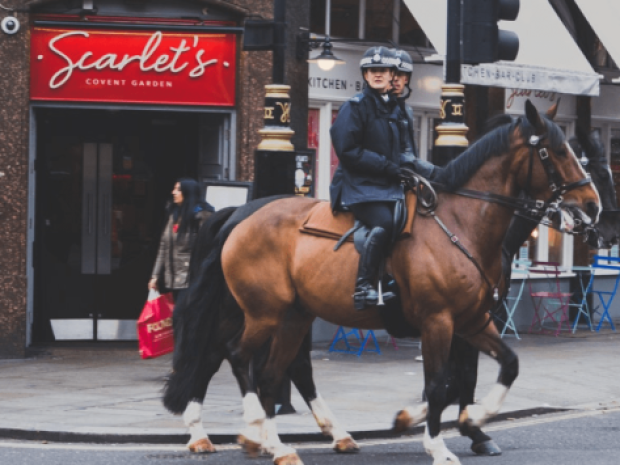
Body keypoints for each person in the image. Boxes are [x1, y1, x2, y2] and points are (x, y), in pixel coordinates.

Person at [329, 46, 413, 311]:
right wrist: (388, 168)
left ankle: (391, 279)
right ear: (365, 75)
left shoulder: (393, 110)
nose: (378, 74)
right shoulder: (355, 106)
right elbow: (347, 151)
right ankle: (363, 286)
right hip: (359, 187)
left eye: (383, 70)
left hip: (387, 187)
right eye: (372, 70)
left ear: (392, 75)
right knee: (385, 223)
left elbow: (400, 154)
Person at [148, 178, 214, 303]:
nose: (173, 192)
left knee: (182, 317)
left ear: (188, 192)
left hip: (192, 281)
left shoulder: (201, 216)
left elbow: (207, 249)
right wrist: (155, 276)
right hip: (172, 280)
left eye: (178, 189)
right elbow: (163, 248)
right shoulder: (174, 216)